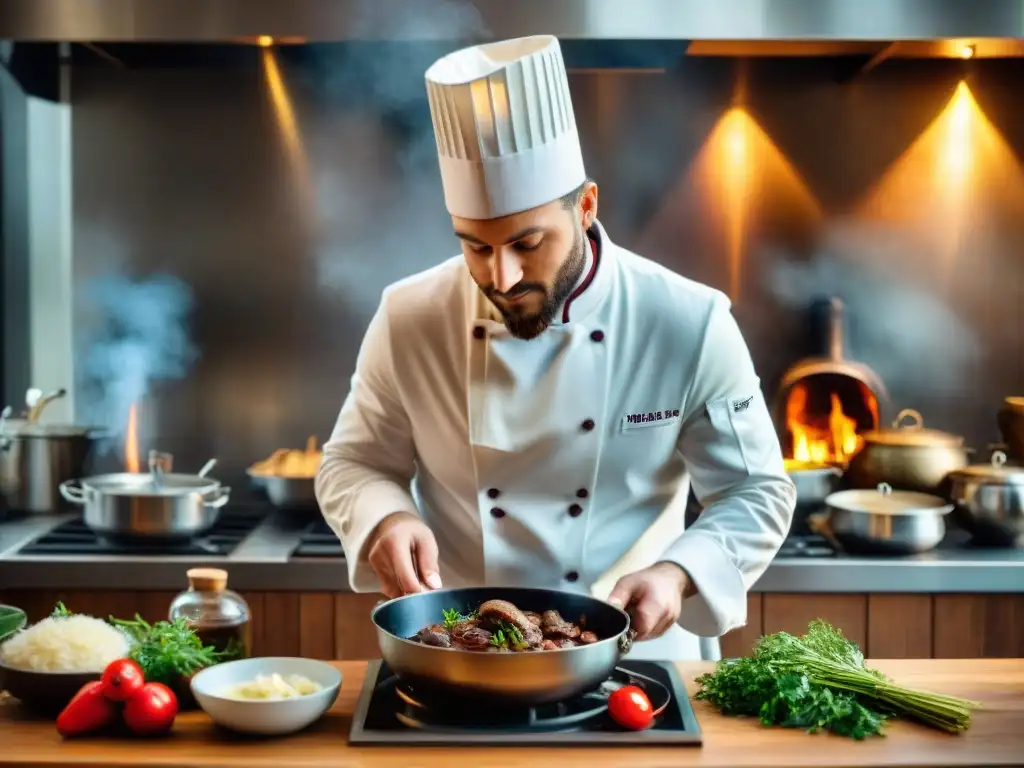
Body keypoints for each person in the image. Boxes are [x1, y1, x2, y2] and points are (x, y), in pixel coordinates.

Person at [316, 35, 796, 661]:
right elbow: (352, 463)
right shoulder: (410, 316)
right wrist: (386, 517)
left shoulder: (686, 321)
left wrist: (678, 574)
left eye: (527, 243)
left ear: (587, 206)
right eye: (476, 247)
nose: (502, 277)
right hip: (460, 658)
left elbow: (756, 491)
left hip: (636, 660)